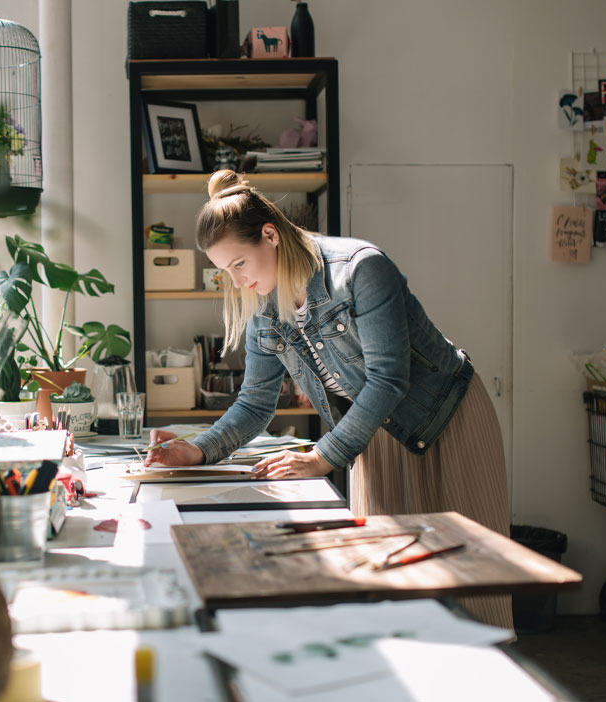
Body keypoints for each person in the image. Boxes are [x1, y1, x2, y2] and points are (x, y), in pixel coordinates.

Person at [145, 170, 511, 630]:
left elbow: (387, 379)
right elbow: (256, 403)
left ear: (270, 235)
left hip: (449, 420)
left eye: (239, 264)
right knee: (390, 588)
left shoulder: (360, 269)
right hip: (374, 434)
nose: (236, 282)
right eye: (225, 272)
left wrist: (323, 456)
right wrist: (197, 448)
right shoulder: (264, 309)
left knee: (473, 585)